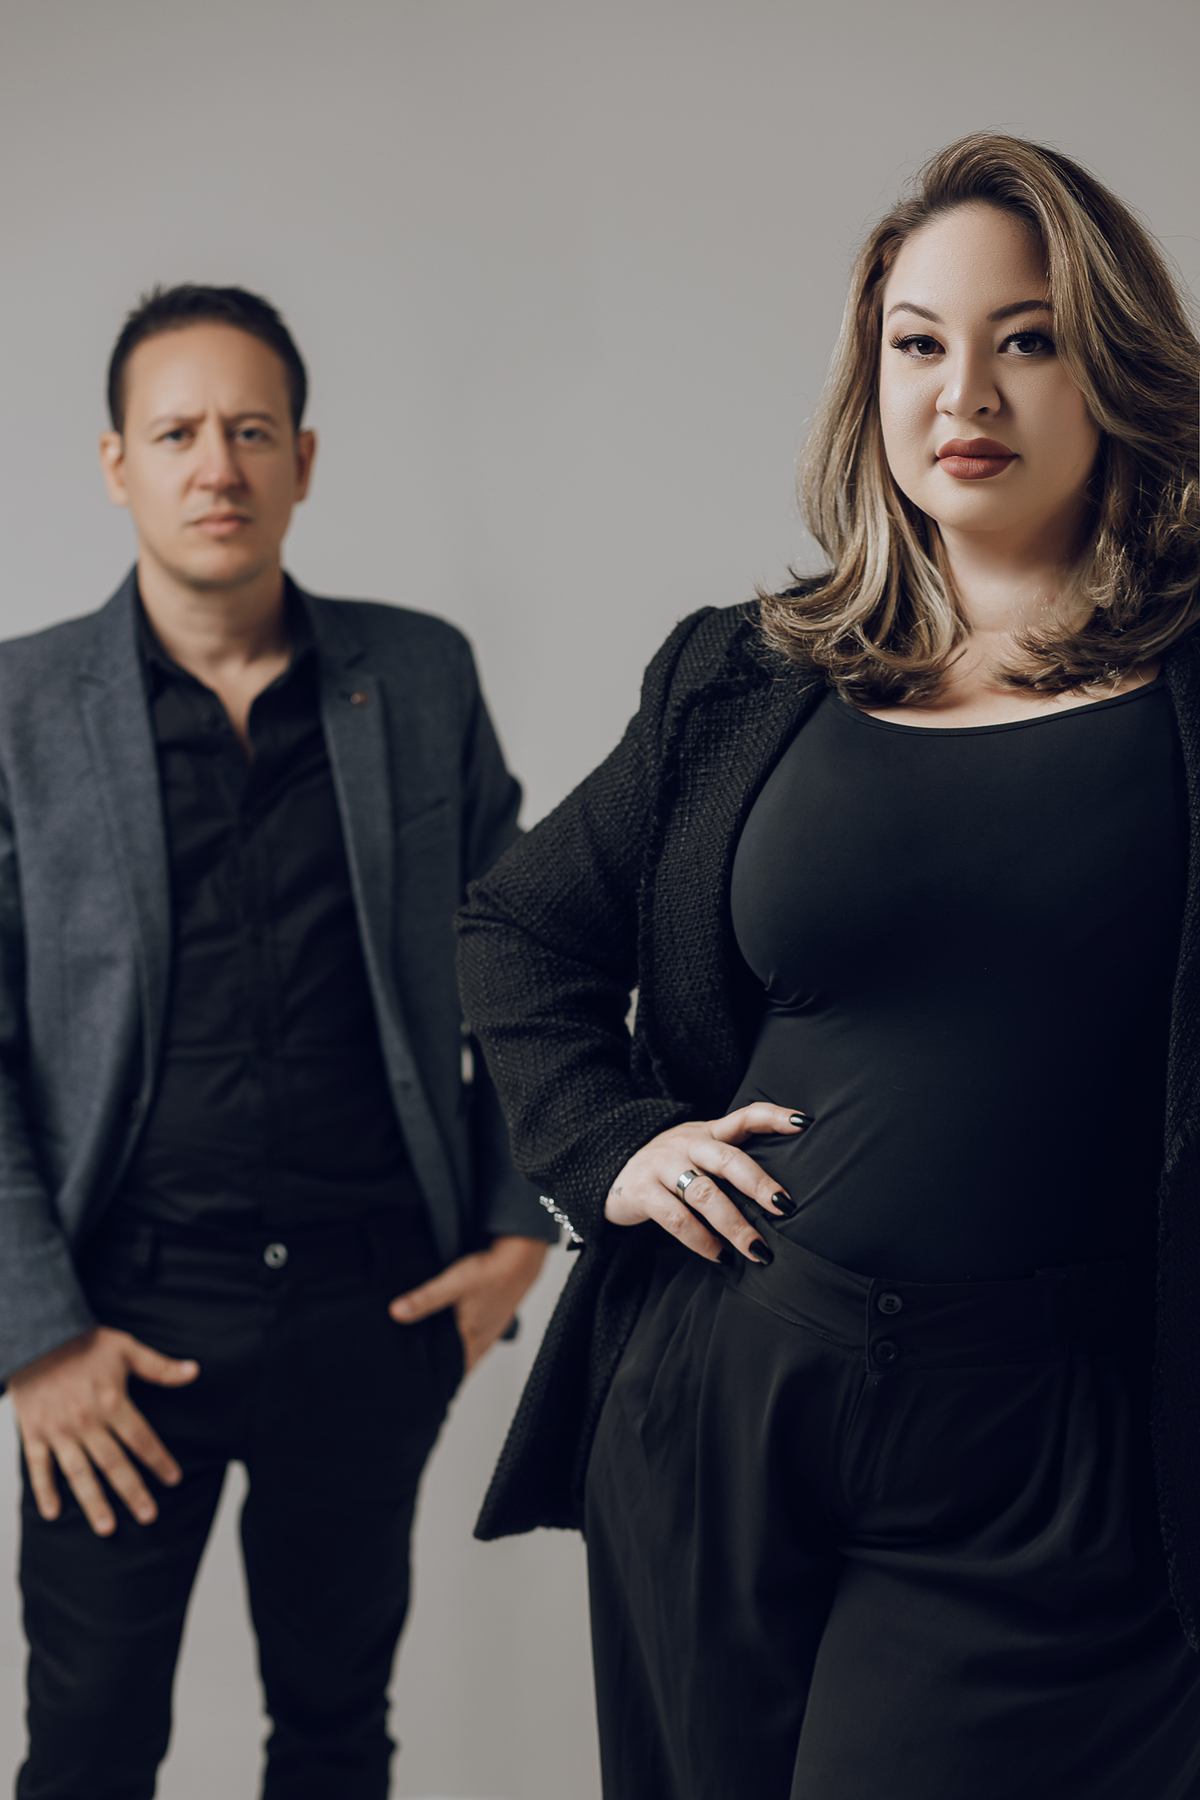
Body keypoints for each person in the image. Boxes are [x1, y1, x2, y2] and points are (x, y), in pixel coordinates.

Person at [457, 134, 1200, 1799]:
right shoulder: (745, 673)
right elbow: (519, 926)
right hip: (722, 1392)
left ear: (1114, 366)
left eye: (1027, 338)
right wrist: (611, 1146)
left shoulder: (1187, 690)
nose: (965, 393)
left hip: (1052, 1449)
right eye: (918, 342)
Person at [0, 283, 553, 1800]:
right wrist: (33, 1338)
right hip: (119, 1327)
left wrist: (519, 1225)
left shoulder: (418, 675)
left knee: (334, 1734)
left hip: (372, 1308)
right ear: (117, 462)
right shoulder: (20, 707)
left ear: (303, 459)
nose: (216, 466)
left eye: (251, 431)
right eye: (177, 432)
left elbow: (525, 958)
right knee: (89, 1749)